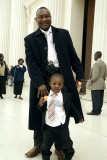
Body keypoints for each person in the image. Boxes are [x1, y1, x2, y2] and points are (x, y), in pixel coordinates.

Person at [24, 7, 85, 160]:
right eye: (40, 17)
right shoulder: (30, 39)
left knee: (62, 110)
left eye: (47, 16)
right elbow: (31, 63)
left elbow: (73, 56)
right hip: (42, 80)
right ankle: (38, 145)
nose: (44, 19)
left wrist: (80, 76)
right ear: (36, 20)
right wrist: (39, 83)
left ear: (51, 17)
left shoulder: (63, 34)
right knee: (40, 112)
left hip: (62, 78)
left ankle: (61, 147)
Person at [38, 73, 83, 160]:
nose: (56, 86)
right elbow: (40, 108)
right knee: (45, 147)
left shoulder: (66, 96)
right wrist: (40, 103)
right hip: (48, 127)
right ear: (50, 83)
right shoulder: (46, 95)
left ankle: (67, 157)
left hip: (62, 127)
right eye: (54, 83)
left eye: (59, 84)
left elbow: (72, 108)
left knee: (68, 146)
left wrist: (78, 117)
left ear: (63, 85)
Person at [86, 51, 107, 115]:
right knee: (100, 98)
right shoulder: (104, 64)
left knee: (95, 98)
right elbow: (105, 75)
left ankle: (94, 111)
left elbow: (95, 75)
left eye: (94, 55)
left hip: (96, 84)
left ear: (97, 55)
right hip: (102, 83)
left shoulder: (96, 64)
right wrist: (102, 80)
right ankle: (98, 111)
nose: (94, 57)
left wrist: (90, 81)